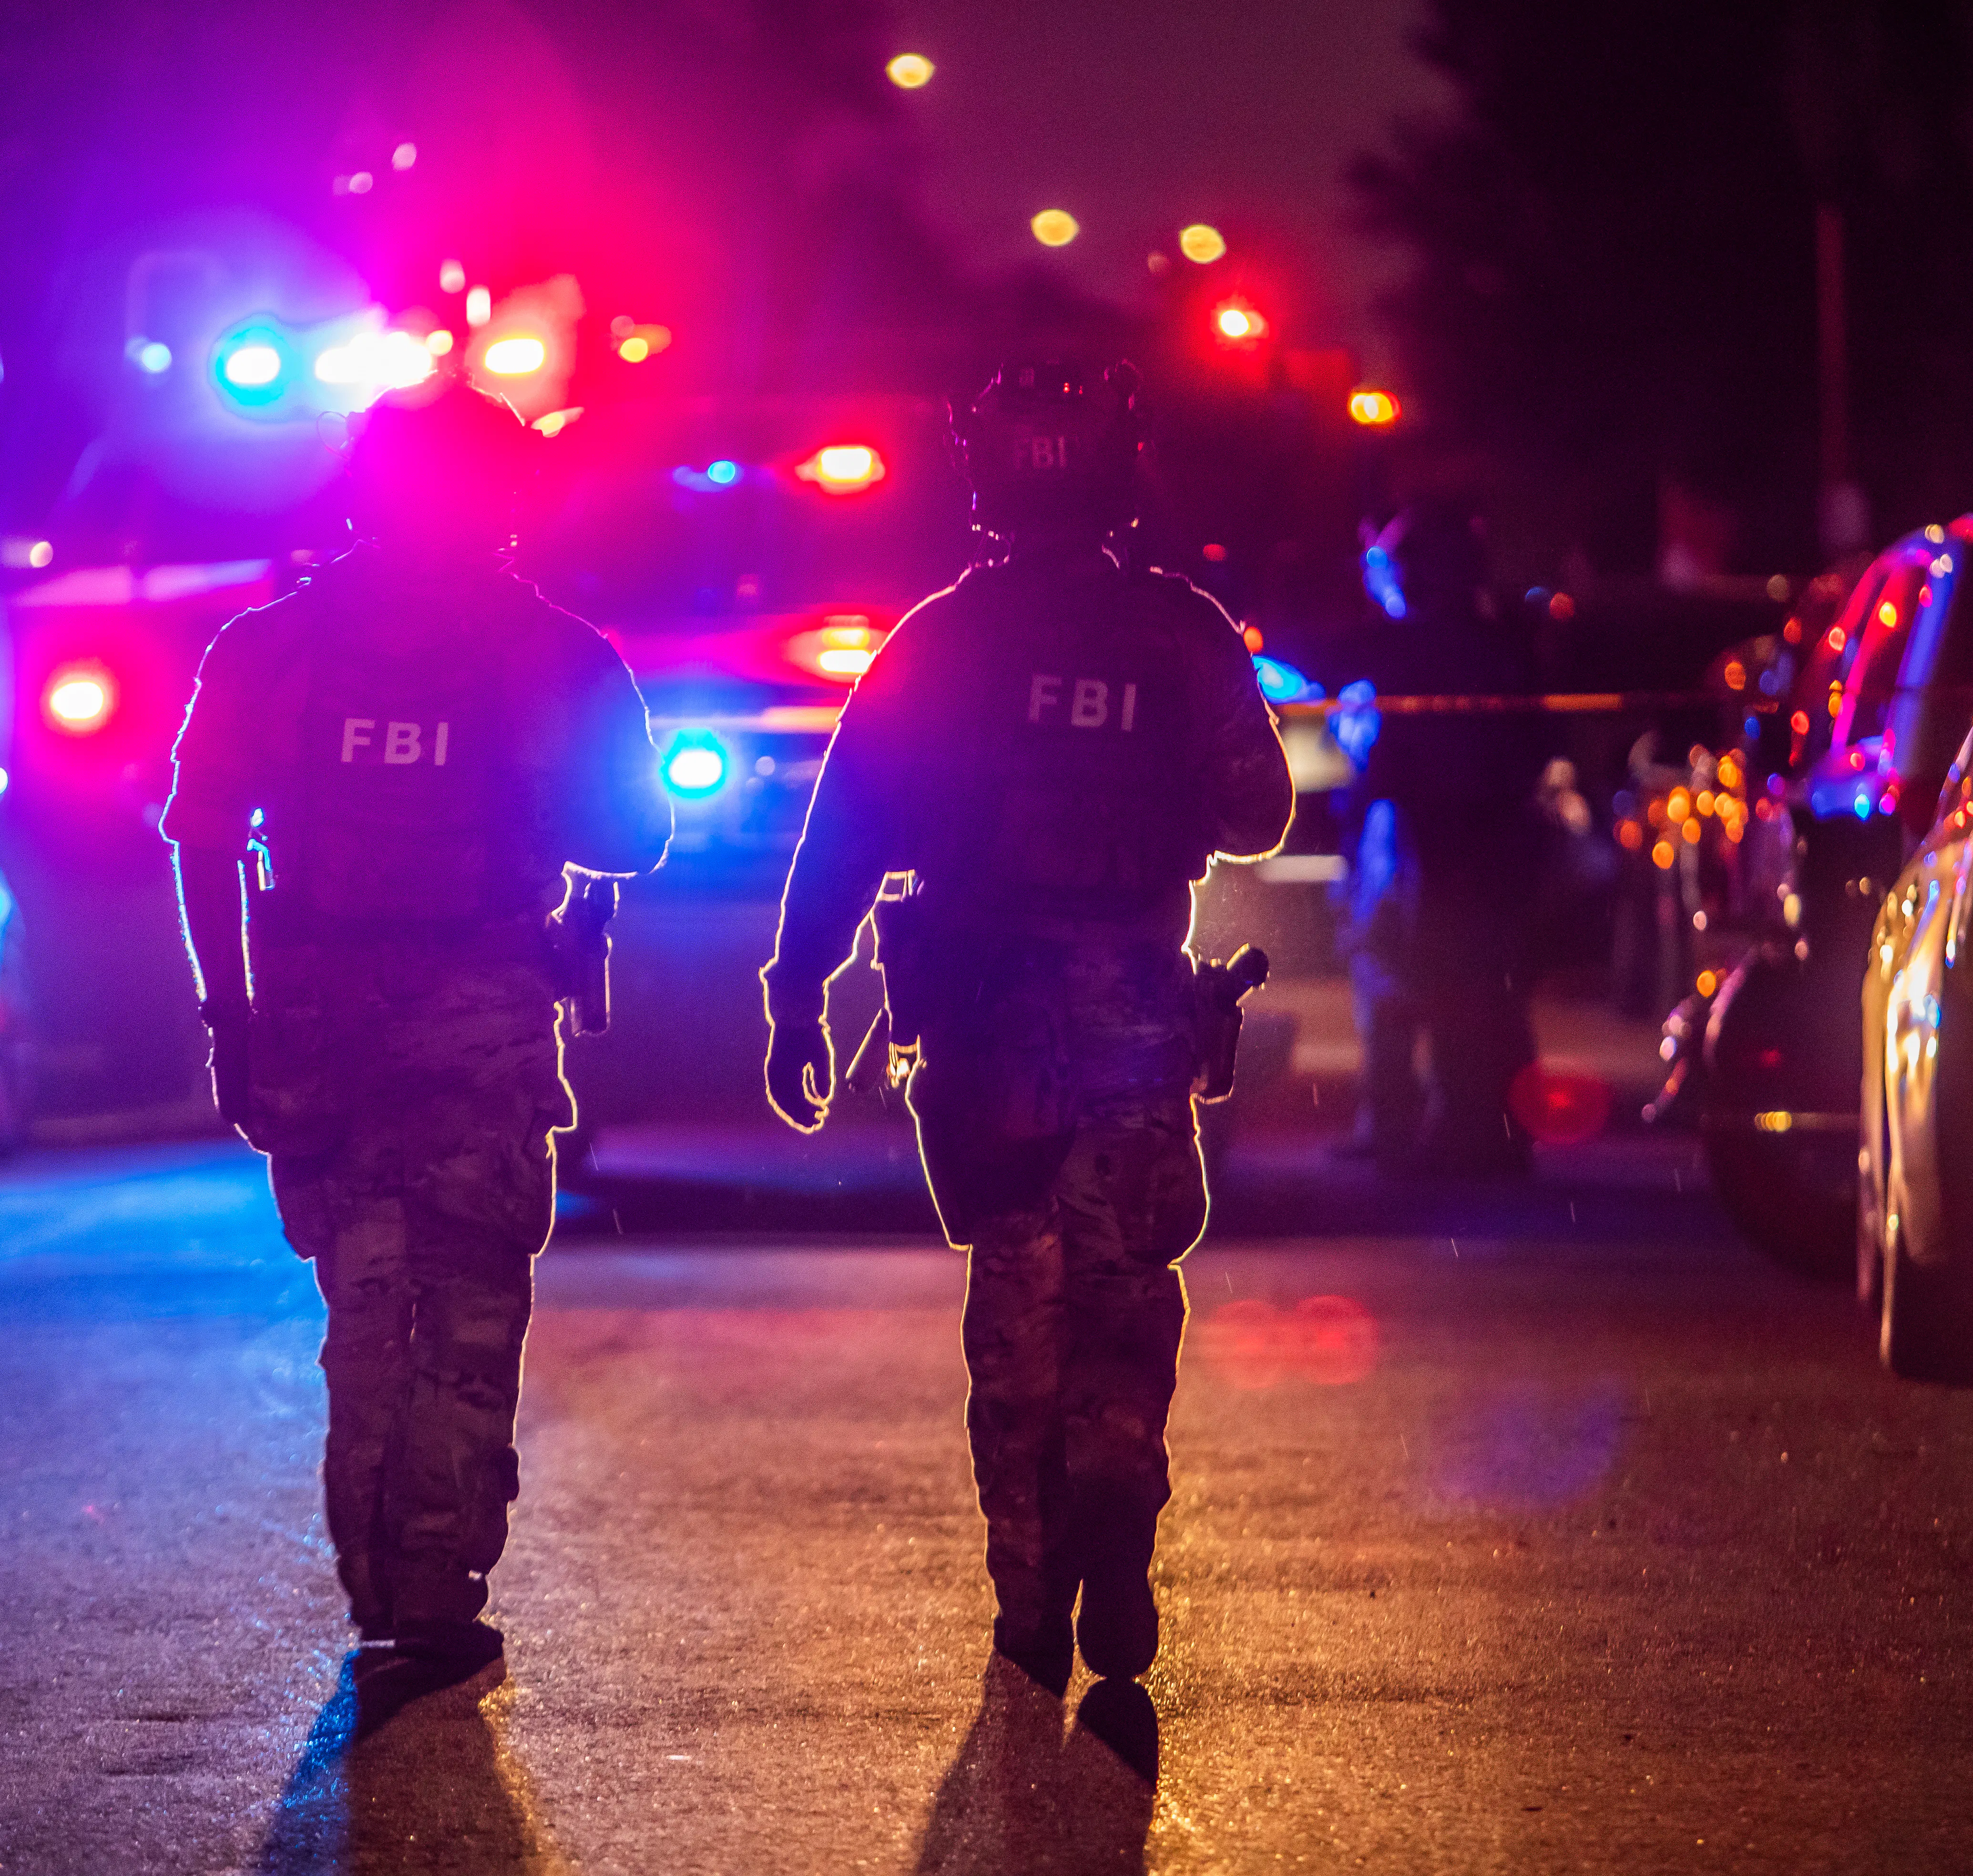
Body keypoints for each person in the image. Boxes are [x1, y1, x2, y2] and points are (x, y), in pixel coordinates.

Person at [760, 360, 1293, 1693]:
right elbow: (1258, 813)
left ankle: (1027, 1587)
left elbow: (847, 831)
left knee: (1016, 1289)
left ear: (981, 473)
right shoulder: (1177, 632)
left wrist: (795, 992)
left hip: (984, 1012)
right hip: (1129, 1007)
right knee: (1123, 1279)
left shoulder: (941, 638)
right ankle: (1116, 1481)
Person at [166, 379, 672, 1719]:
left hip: (317, 1021)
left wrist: (234, 1016)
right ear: (504, 497)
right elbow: (634, 835)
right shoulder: (554, 650)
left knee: (359, 1300)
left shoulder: (263, 647)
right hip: (484, 1019)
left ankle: (380, 1576)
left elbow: (205, 840)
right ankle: (434, 1582)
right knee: (465, 1304)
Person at [1332, 504, 1544, 1175]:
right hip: (1490, 843)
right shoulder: (1502, 643)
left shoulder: (1398, 650)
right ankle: (1495, 1130)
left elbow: (1378, 753)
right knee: (1487, 988)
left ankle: (1418, 1127)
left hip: (1413, 845)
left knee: (1402, 982)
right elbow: (1537, 745)